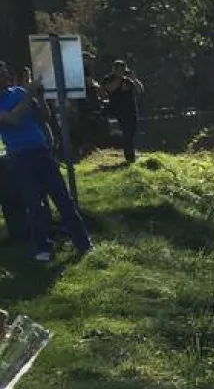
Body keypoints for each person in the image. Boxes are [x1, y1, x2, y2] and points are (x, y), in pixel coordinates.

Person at [0, 61, 93, 261]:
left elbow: (44, 116)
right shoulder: (17, 95)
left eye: (4, 72)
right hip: (19, 157)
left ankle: (83, 243)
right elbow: (13, 119)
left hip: (41, 151)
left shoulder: (18, 91)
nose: (4, 76)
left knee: (62, 198)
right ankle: (43, 247)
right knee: (35, 204)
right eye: (1, 74)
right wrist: (29, 93)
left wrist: (40, 97)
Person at [102, 59, 144, 163]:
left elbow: (140, 90)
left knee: (132, 132)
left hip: (131, 109)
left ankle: (131, 153)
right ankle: (130, 156)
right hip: (118, 110)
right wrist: (119, 78)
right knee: (127, 132)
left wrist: (134, 79)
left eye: (123, 69)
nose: (121, 71)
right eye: (119, 69)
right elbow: (109, 89)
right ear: (114, 69)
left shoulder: (128, 80)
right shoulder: (109, 78)